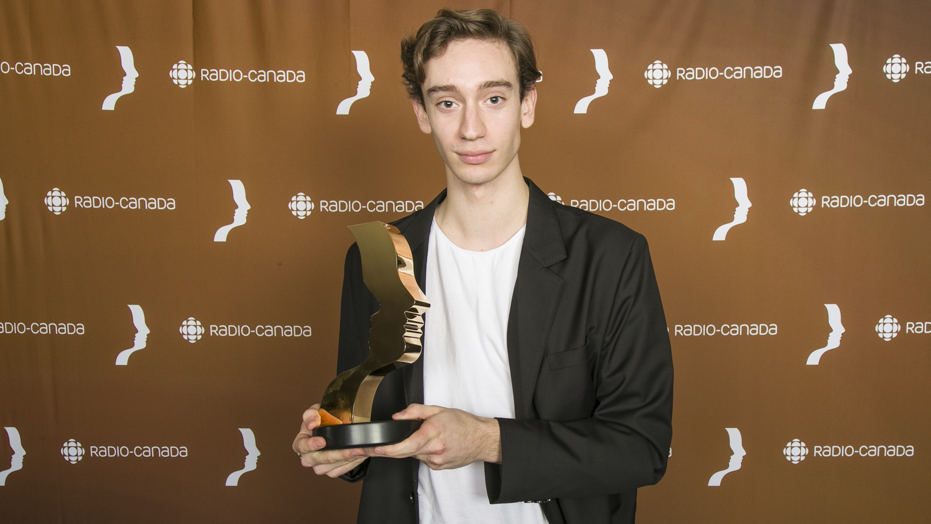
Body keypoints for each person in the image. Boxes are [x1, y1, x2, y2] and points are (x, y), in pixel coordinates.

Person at [293, 9, 673, 524]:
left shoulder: (611, 256)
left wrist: (487, 440)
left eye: (494, 98)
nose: (471, 128)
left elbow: (640, 447)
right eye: (447, 102)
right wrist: (335, 444)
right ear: (422, 113)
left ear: (527, 104)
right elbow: (362, 422)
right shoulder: (377, 255)